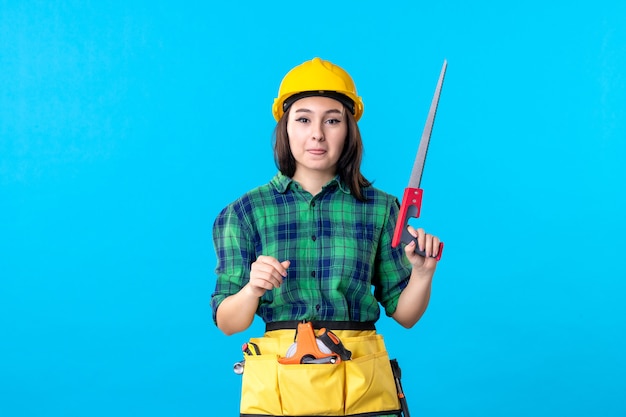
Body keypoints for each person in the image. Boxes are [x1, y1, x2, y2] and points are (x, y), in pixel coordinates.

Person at [211, 57, 441, 417]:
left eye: (332, 120)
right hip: (280, 395)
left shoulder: (381, 209)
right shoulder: (244, 213)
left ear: (349, 130)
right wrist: (253, 289)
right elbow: (228, 322)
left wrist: (423, 273)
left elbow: (406, 315)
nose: (317, 133)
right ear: (285, 127)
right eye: (303, 119)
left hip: (363, 391)